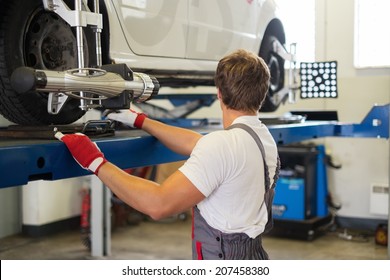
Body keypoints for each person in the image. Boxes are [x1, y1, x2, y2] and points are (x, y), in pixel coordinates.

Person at [55, 48, 280, 260]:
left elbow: (158, 204)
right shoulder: (261, 138)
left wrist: (95, 162)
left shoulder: (223, 145)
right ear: (261, 93)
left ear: (219, 94)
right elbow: (198, 144)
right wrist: (142, 121)